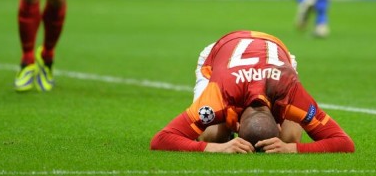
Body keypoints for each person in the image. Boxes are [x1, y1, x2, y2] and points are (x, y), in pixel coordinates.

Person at [150, 30, 355, 153]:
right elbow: (161, 139)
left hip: (276, 57)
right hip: (218, 57)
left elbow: (344, 143)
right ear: (236, 123)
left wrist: (290, 148)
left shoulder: (291, 92)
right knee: (211, 136)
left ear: (279, 120)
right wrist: (217, 148)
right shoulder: (217, 97)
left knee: (291, 137)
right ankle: (224, 137)